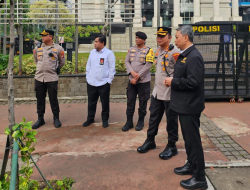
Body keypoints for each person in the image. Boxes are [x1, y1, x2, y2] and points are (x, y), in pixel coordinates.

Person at [164, 25, 208, 189]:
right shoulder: (186, 55)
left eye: (176, 37)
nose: (174, 40)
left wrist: (173, 81)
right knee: (188, 141)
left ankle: (200, 178)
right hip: (184, 106)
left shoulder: (194, 56)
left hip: (190, 107)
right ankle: (191, 165)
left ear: (186, 37)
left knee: (193, 142)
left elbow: (193, 82)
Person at [137, 27, 180, 161]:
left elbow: (180, 73)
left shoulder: (175, 52)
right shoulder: (158, 51)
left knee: (171, 120)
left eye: (162, 36)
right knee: (153, 118)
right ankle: (150, 141)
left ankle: (172, 146)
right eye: (158, 36)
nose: (159, 38)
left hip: (170, 94)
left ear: (170, 37)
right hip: (157, 92)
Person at [32, 29, 65, 129]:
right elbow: (36, 60)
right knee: (40, 99)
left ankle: (56, 118)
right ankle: (40, 119)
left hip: (52, 78)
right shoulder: (37, 48)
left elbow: (62, 62)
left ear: (50, 37)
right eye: (42, 35)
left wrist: (55, 69)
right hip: (39, 78)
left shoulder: (58, 49)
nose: (42, 37)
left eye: (44, 35)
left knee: (53, 99)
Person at [122, 31, 154, 132]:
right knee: (130, 101)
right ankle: (129, 122)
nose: (137, 39)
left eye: (139, 38)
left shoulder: (149, 50)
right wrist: (132, 73)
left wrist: (138, 76)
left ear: (144, 40)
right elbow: (127, 62)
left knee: (143, 102)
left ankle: (140, 121)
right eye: (136, 37)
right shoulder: (131, 49)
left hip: (143, 82)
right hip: (131, 81)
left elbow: (148, 65)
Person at [83, 35, 116, 128]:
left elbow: (112, 68)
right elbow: (88, 66)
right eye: (95, 41)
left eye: (97, 42)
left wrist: (109, 81)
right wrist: (88, 77)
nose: (95, 43)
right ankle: (90, 118)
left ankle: (105, 119)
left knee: (105, 102)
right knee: (91, 102)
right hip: (91, 82)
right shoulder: (92, 52)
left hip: (103, 83)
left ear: (102, 43)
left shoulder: (109, 53)